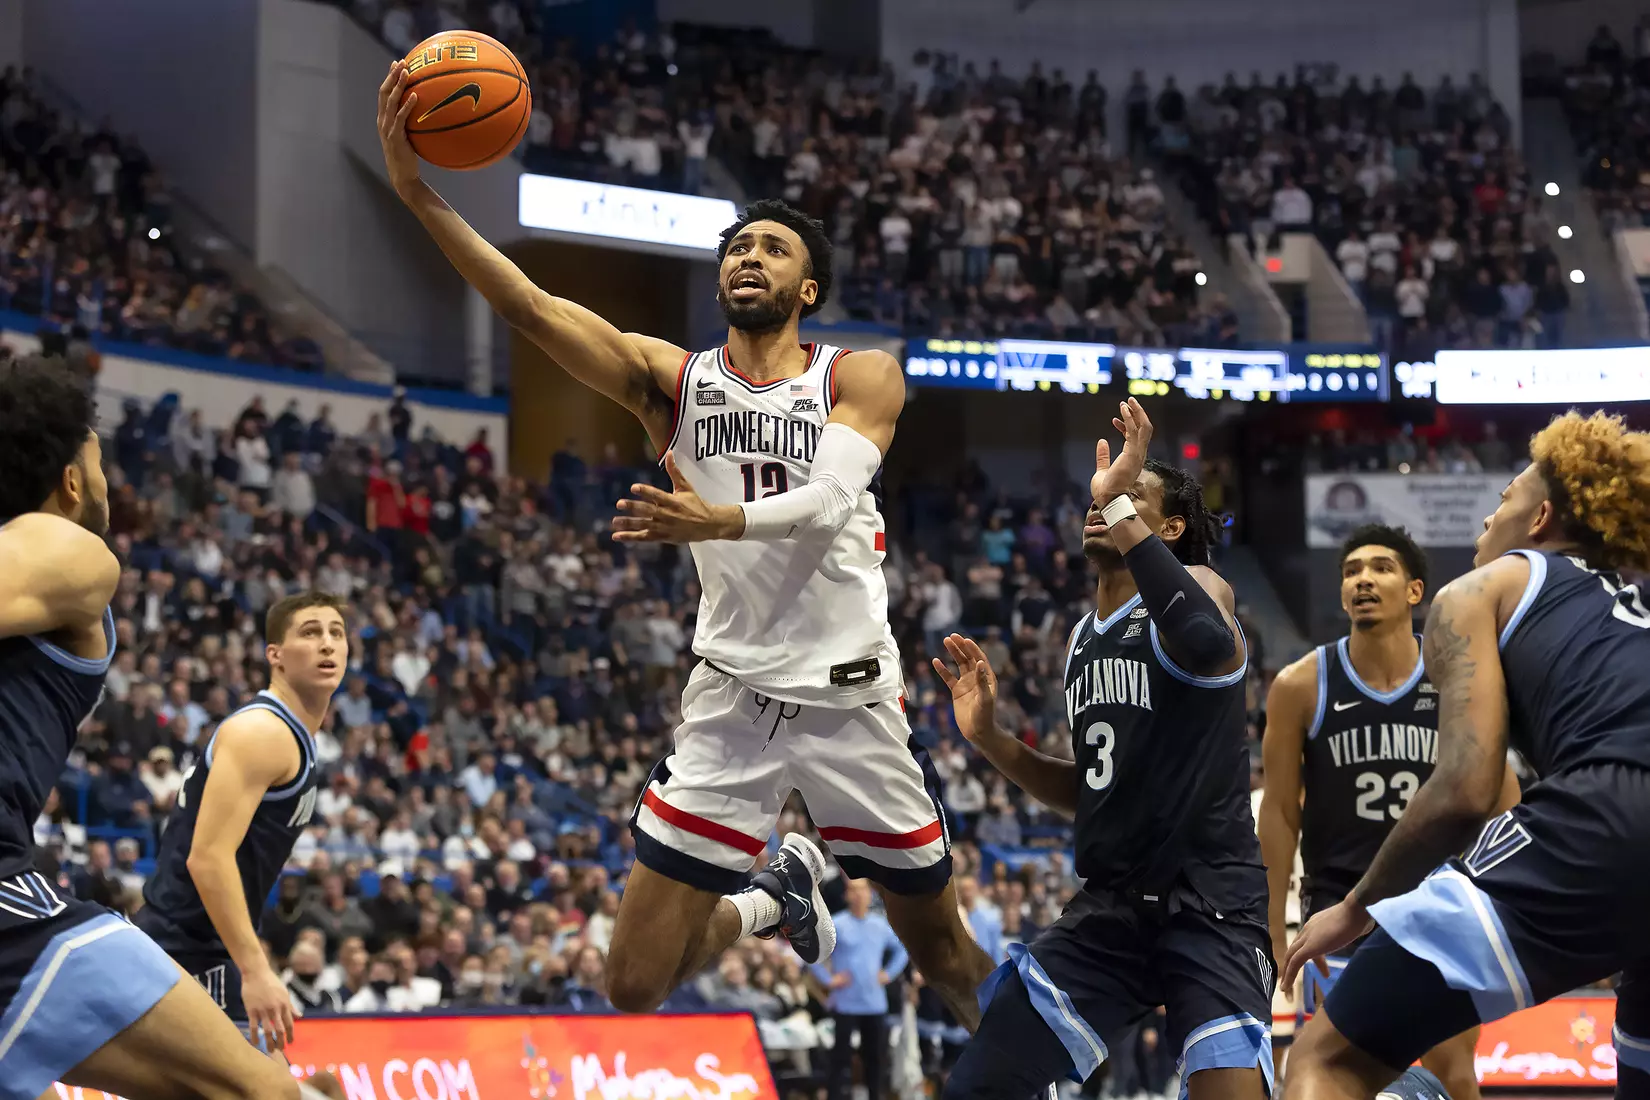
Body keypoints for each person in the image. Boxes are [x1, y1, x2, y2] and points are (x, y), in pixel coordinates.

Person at [375, 63, 994, 1022]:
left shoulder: (859, 376)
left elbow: (832, 497)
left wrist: (720, 519)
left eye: (773, 248)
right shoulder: (670, 380)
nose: (749, 257)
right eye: (738, 247)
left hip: (851, 706)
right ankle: (770, 899)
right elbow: (532, 308)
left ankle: (1048, 1083)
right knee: (630, 987)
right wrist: (418, 194)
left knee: (949, 961)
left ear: (808, 285)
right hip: (732, 703)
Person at [1282, 411, 1650, 1100]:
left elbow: (1466, 788)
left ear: (1540, 519)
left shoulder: (1485, 588)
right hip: (1616, 825)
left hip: (1611, 807)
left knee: (1325, 1060)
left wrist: (1359, 906)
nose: (1487, 520)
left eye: (1503, 498)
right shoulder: (1628, 612)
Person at [933, 399, 1274, 1099]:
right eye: (1100, 495)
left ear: (1169, 527)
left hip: (1209, 903)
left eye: (1129, 494)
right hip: (1113, 907)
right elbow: (1091, 790)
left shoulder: (1204, 589)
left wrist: (1115, 506)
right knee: (979, 1084)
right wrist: (991, 739)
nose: (1103, 501)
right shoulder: (1082, 637)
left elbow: (1208, 639)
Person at [0, 354, 297, 1100]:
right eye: (99, 460)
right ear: (72, 478)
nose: (109, 479)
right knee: (265, 1092)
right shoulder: (68, 546)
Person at [1260, 525, 1516, 1099]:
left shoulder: (1459, 683)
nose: (1363, 580)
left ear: (1415, 590)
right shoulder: (1300, 685)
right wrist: (1273, 929)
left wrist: (1500, 909)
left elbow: (1507, 805)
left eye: (1380, 568)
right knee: (1329, 1073)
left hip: (1439, 907)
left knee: (1455, 1074)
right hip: (1337, 912)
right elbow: (1278, 815)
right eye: (1351, 571)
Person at [136, 592, 351, 1100]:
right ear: (275, 654)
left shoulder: (293, 734)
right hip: (188, 952)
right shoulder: (263, 731)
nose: (327, 644)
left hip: (206, 948)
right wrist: (255, 970)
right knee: (267, 1091)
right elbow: (207, 858)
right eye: (310, 632)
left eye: (337, 633)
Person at [814, 879, 909, 1100]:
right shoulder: (836, 924)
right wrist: (828, 980)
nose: (858, 895)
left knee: (875, 1059)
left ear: (869, 895)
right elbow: (812, 956)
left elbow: (902, 950)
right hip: (845, 1003)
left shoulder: (879, 925)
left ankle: (875, 1096)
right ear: (846, 895)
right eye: (853, 891)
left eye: (862, 891)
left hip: (874, 1003)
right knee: (840, 1059)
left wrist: (889, 973)